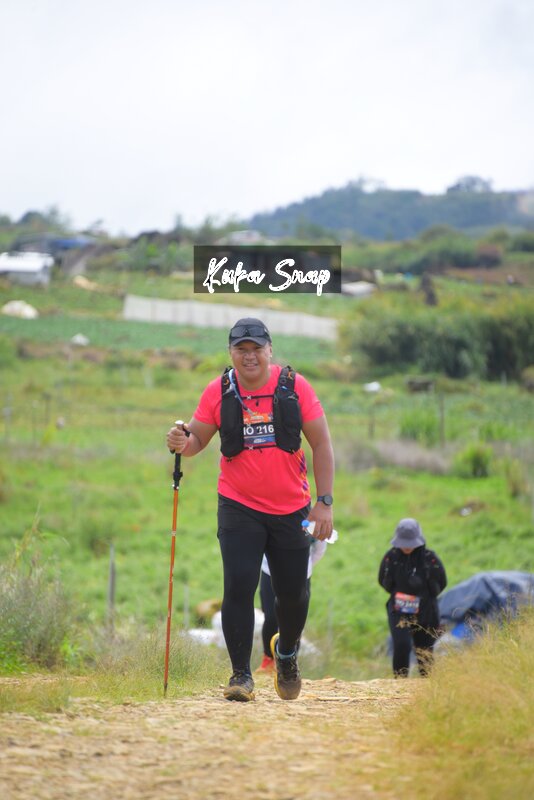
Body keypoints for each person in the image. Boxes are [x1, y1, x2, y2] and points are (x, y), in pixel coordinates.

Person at [166, 317, 334, 702]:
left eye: (256, 348)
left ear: (270, 350)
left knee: (292, 594)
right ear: (230, 353)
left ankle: (286, 654)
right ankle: (241, 674)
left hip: (292, 507)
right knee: (238, 586)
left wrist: (324, 503)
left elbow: (322, 444)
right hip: (238, 505)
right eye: (240, 349)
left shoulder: (295, 387)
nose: (249, 356)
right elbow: (195, 441)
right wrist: (180, 441)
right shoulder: (218, 391)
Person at [378, 518, 447, 677]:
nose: (407, 547)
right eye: (404, 543)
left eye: (410, 543)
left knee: (425, 651)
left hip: (426, 612)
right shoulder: (391, 558)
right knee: (401, 645)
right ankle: (400, 682)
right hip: (399, 611)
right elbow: (383, 580)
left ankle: (426, 685)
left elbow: (441, 582)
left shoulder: (430, 559)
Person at [256, 537, 328, 674]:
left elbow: (319, 550)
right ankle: (268, 660)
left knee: (295, 621)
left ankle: (289, 662)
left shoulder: (313, 524)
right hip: (269, 571)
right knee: (271, 617)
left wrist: (306, 566)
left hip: (301, 574)